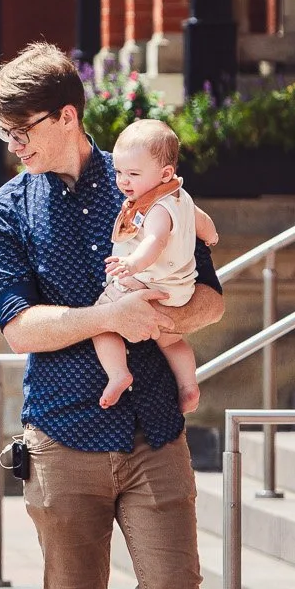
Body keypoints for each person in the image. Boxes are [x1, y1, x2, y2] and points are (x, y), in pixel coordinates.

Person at [0, 42, 225, 589]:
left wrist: (169, 320)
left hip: (154, 431)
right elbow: (19, 327)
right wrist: (106, 320)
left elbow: (211, 297)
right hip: (62, 436)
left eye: (24, 130)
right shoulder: (8, 211)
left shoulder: (142, 175)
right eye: (6, 133)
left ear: (68, 115)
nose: (15, 145)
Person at [93, 119, 220, 412]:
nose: (123, 181)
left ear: (165, 173)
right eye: (119, 172)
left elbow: (155, 241)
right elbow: (204, 224)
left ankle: (118, 374)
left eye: (133, 174)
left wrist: (131, 264)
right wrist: (212, 236)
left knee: (101, 322)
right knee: (172, 342)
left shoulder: (156, 209)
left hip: (147, 283)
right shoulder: (181, 197)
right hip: (179, 288)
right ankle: (189, 386)